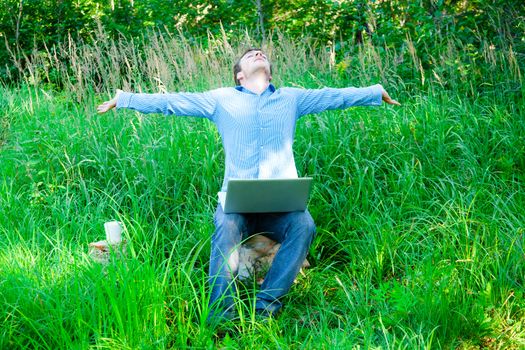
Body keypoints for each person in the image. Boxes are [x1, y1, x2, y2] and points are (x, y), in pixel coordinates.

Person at [97, 48, 400, 324]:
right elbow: (172, 102)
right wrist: (125, 99)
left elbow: (333, 97)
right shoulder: (222, 99)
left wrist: (374, 92)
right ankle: (222, 317)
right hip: (236, 205)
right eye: (250, 54)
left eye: (262, 53)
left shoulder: (291, 98)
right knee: (226, 225)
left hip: (279, 209)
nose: (258, 52)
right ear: (239, 75)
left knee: (304, 225)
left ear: (270, 72)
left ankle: (265, 309)